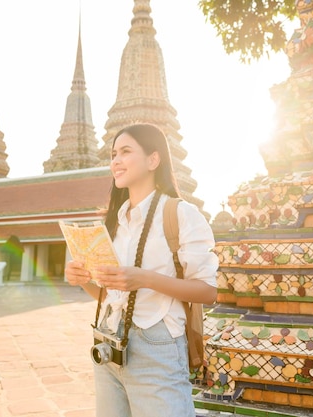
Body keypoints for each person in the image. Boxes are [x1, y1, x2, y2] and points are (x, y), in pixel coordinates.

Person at [65, 123, 219, 417]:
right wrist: (83, 279)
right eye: (113, 154)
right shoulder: (115, 222)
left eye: (126, 151)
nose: (116, 161)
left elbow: (207, 291)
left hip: (156, 343)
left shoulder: (180, 214)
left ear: (153, 159)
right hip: (109, 340)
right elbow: (109, 293)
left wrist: (145, 279)